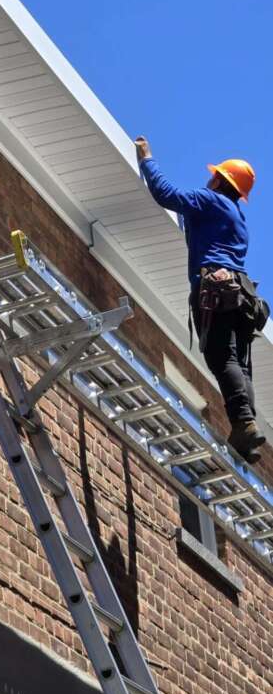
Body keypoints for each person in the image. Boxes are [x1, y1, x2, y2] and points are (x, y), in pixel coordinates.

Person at [134, 136, 265, 463]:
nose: (209, 178)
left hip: (218, 291)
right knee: (239, 365)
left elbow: (166, 194)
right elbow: (197, 228)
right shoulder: (236, 217)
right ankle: (245, 430)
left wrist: (147, 159)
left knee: (223, 359)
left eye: (214, 175)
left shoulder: (211, 200)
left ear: (221, 180)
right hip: (243, 297)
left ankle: (244, 425)